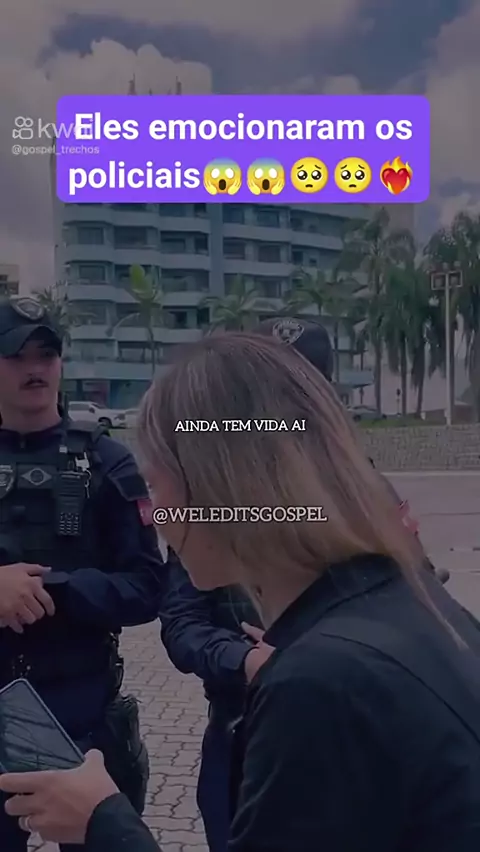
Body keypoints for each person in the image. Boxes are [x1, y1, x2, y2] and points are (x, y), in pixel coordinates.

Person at [3, 330, 480, 852]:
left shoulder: (318, 683)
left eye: (157, 485)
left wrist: (102, 822)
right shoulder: (416, 607)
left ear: (217, 485)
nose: (156, 516)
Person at [0, 296, 166, 851]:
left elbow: (148, 587)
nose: (35, 368)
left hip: (82, 716)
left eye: (46, 354)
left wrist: (54, 589)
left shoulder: (106, 461)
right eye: (17, 356)